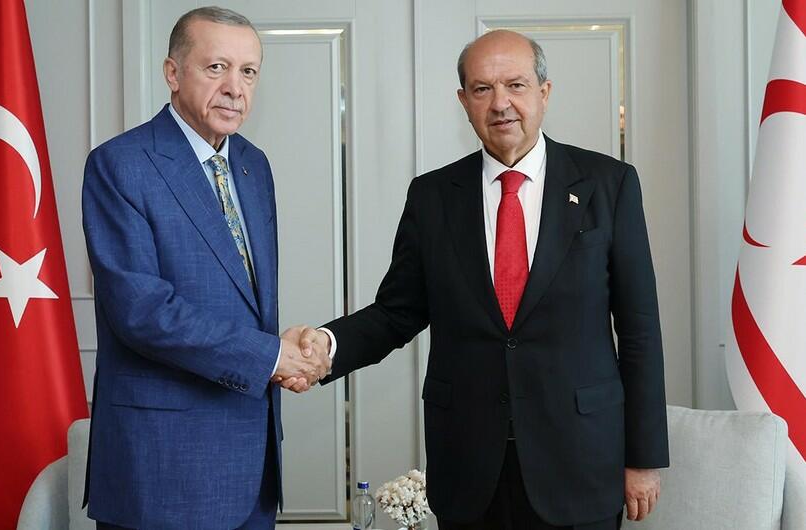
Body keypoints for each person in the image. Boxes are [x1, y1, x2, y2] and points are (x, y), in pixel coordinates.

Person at [291, 30, 668, 529]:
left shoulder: (608, 184)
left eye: (516, 85)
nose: (500, 103)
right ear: (463, 101)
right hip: (469, 465)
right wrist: (326, 346)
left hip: (580, 461)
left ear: (544, 92)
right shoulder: (432, 197)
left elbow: (640, 331)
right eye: (482, 89)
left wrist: (643, 457)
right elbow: (396, 312)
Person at [81, 7, 329, 530]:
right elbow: (142, 312)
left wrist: (282, 349)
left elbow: (244, 297)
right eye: (217, 67)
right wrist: (269, 356)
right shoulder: (120, 164)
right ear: (173, 73)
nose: (235, 88)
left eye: (248, 71)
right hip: (162, 471)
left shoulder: (254, 164)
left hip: (253, 465)